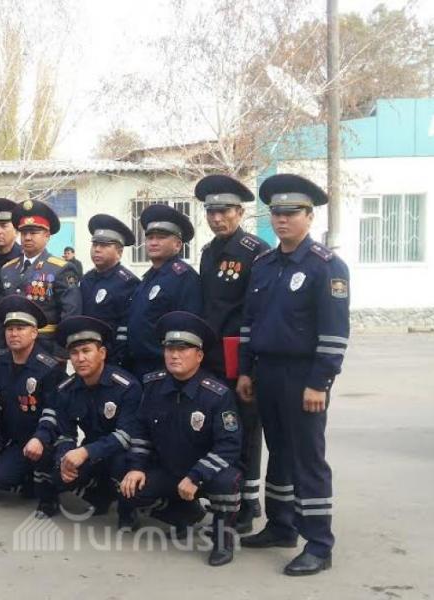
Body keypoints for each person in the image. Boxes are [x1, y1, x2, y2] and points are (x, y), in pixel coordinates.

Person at [237, 174, 350, 576]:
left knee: (307, 459)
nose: (282, 220)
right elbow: (250, 322)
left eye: (291, 213)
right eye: (276, 213)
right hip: (266, 372)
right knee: (279, 452)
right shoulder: (264, 265)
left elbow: (334, 333)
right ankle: (281, 525)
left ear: (309, 216)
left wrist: (320, 382)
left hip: (304, 377)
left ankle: (319, 544)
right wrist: (246, 370)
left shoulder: (326, 267)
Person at [120, 311, 242, 567]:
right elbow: (141, 431)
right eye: (169, 349)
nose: (174, 355)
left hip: (205, 473)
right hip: (169, 468)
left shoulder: (217, 394)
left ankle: (223, 540)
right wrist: (136, 467)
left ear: (199, 356)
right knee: (129, 488)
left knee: (228, 482)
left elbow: (229, 445)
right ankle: (185, 514)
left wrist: (196, 476)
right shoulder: (153, 386)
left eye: (183, 349)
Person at [194, 174, 271, 532]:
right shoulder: (209, 252)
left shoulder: (256, 252)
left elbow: (259, 313)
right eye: (211, 212)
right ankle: (226, 497)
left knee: (246, 430)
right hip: (212, 354)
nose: (216, 218)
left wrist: (248, 367)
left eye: (224, 211)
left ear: (239, 212)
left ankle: (248, 503)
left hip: (240, 354)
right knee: (220, 428)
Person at [53, 315, 141, 530]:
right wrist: (64, 458)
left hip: (122, 451)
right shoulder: (66, 390)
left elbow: (126, 435)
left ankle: (127, 511)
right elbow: (65, 433)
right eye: (74, 353)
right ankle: (100, 497)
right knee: (58, 471)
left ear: (102, 353)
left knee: (121, 464)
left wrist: (85, 452)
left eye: (86, 351)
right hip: (93, 451)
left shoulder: (126, 386)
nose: (80, 358)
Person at [0, 295, 67, 517]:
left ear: (34, 333)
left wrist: (40, 437)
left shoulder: (49, 368)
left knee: (45, 454)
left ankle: (49, 499)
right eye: (10, 329)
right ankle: (21, 477)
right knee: (1, 477)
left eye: (21, 328)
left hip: (44, 437)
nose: (14, 334)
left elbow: (54, 412)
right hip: (17, 438)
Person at [0, 199, 81, 357]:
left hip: (46, 348)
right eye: (24, 233)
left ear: (47, 236)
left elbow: (71, 312)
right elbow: (0, 314)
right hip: (11, 350)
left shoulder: (61, 268)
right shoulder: (7, 270)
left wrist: (61, 352)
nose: (27, 237)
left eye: (33, 233)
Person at [125, 204, 202, 378]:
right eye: (149, 237)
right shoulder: (148, 278)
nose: (153, 242)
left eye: (160, 238)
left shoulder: (184, 277)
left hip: (165, 368)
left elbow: (188, 327)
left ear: (177, 245)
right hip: (139, 366)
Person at [78, 215, 140, 366]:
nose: (97, 250)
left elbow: (127, 329)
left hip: (112, 359)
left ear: (119, 252)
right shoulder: (86, 279)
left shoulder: (128, 283)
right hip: (86, 356)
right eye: (95, 245)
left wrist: (117, 359)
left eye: (104, 245)